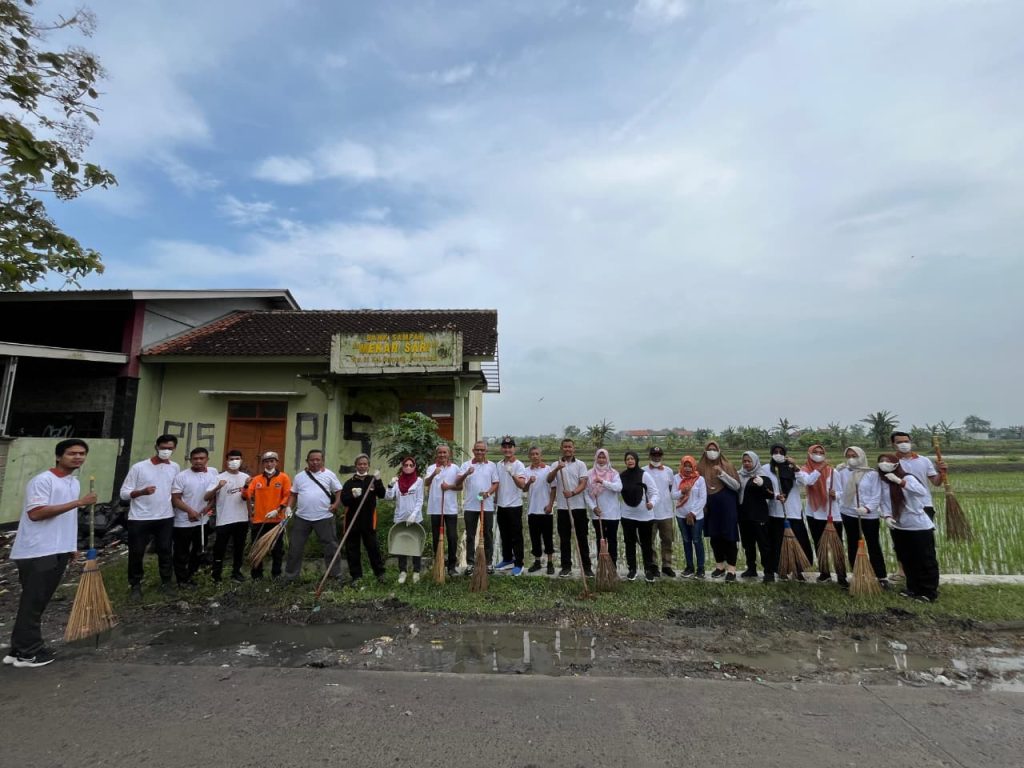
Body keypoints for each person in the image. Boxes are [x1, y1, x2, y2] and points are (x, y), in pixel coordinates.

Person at [5, 439, 97, 668]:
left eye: (82, 453)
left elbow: (67, 519)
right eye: (72, 453)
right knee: (33, 601)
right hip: (38, 550)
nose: (78, 457)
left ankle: (18, 649)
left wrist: (70, 545)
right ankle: (29, 652)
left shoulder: (73, 482)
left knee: (36, 601)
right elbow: (36, 513)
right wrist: (79, 502)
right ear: (58, 457)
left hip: (58, 549)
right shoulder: (43, 481)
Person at [120, 434, 180, 600]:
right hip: (140, 517)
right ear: (156, 447)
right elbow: (123, 494)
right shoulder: (139, 467)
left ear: (174, 449)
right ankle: (135, 585)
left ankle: (166, 583)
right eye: (163, 448)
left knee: (165, 550)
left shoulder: (175, 467)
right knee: (137, 552)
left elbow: (175, 489)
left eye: (170, 448)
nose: (166, 451)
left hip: (165, 516)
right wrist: (141, 492)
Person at [876, 452, 939, 602]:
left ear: (896, 464)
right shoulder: (883, 482)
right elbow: (884, 502)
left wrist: (900, 482)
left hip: (918, 526)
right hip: (899, 526)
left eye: (888, 461)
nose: (885, 463)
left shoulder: (907, 478)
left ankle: (928, 591)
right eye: (881, 461)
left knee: (925, 559)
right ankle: (913, 588)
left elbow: (921, 492)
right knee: (907, 559)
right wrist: (887, 516)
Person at [284, 449, 343, 583]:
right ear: (307, 461)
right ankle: (291, 577)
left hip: (324, 516)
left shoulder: (329, 475)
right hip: (302, 518)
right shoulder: (299, 477)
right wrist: (288, 507)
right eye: (312, 460)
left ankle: (335, 575)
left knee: (331, 546)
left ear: (322, 461)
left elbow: (339, 491)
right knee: (295, 547)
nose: (315, 462)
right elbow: (293, 494)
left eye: (318, 460)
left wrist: (335, 504)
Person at [834, 446, 886, 588]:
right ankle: (858, 573)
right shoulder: (843, 472)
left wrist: (867, 508)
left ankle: (881, 576)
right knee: (853, 544)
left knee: (873, 544)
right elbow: (839, 491)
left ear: (862, 456)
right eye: (849, 456)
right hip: (849, 513)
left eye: (855, 455)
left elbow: (877, 495)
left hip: (869, 515)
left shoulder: (872, 474)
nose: (851, 458)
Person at [170, 447, 218, 588]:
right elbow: (175, 499)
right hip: (183, 521)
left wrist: (207, 509)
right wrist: (190, 511)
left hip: (202, 521)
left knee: (198, 550)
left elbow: (214, 495)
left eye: (201, 458)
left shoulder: (213, 472)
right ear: (190, 460)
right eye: (195, 458)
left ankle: (192, 574)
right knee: (181, 552)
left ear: (207, 459)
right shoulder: (182, 476)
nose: (198, 461)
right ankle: (181, 580)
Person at [241, 451, 292, 580]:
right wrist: (246, 485)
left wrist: (279, 509)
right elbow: (246, 495)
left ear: (276, 462)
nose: (269, 464)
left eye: (272, 461)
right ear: (263, 463)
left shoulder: (284, 477)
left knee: (277, 549)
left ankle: (276, 574)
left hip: (277, 520)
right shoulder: (256, 479)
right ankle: (257, 575)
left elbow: (287, 496)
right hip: (259, 520)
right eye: (266, 461)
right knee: (258, 548)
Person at [766, 444, 813, 579]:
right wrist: (776, 495)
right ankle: (782, 570)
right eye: (775, 452)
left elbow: (805, 482)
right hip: (776, 513)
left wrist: (796, 467)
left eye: (781, 452)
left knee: (798, 542)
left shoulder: (792, 468)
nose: (778, 454)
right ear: (771, 453)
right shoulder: (766, 469)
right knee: (778, 544)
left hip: (793, 512)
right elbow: (765, 487)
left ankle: (798, 570)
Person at [546, 438, 591, 578]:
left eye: (570, 447)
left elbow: (583, 483)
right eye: (565, 447)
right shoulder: (555, 464)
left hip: (579, 507)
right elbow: (549, 480)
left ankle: (587, 568)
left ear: (573, 449)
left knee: (582, 538)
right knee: (564, 539)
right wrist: (557, 469)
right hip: (562, 508)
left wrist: (572, 493)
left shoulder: (581, 464)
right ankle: (566, 567)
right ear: (561, 448)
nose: (567, 449)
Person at [696, 441, 740, 582]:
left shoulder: (727, 466)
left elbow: (736, 486)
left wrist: (722, 474)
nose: (712, 452)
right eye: (709, 449)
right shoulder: (700, 468)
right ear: (705, 451)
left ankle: (731, 569)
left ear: (719, 451)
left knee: (729, 536)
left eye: (714, 449)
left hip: (727, 507)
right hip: (710, 507)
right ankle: (719, 566)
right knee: (715, 537)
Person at [800, 444, 844, 584]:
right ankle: (824, 573)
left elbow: (842, 492)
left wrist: (836, 494)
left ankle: (841, 575)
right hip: (813, 514)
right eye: (815, 452)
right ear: (809, 454)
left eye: (821, 452)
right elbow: (808, 481)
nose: (818, 455)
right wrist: (819, 469)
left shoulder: (833, 472)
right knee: (819, 545)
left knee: (837, 546)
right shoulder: (805, 470)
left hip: (832, 514)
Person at [204, 449, 250, 583]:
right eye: (231, 459)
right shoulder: (219, 477)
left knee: (239, 548)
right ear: (227, 461)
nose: (234, 461)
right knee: (220, 548)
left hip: (242, 519)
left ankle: (236, 572)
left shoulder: (245, 477)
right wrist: (218, 487)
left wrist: (250, 515)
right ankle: (216, 575)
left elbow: (248, 498)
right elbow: (206, 497)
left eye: (237, 459)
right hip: (224, 519)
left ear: (241, 460)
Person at [340, 454, 386, 585]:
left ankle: (380, 574)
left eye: (365, 464)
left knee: (373, 548)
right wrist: (353, 496)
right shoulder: (349, 482)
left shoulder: (372, 480)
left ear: (368, 466)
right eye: (360, 464)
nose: (362, 466)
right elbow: (344, 501)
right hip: (352, 521)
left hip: (368, 521)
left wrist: (378, 480)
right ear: (356, 466)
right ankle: (356, 577)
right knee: (352, 550)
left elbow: (382, 494)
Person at [457, 440, 500, 576]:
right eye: (477, 450)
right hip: (470, 506)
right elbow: (458, 481)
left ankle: (488, 563)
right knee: (470, 535)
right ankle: (470, 563)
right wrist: (466, 473)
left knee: (487, 534)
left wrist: (488, 493)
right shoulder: (466, 465)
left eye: (482, 450)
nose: (480, 452)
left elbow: (495, 483)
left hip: (486, 506)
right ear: (473, 451)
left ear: (486, 451)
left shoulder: (491, 466)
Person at [737, 451, 780, 583]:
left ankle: (768, 572)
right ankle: (751, 569)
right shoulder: (740, 475)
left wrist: (762, 485)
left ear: (755, 462)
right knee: (748, 545)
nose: (746, 464)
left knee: (764, 545)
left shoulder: (763, 477)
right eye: (744, 461)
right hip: (744, 516)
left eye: (749, 461)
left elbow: (770, 495)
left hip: (759, 516)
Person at [619, 450, 660, 582]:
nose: (630, 461)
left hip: (645, 516)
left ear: (636, 460)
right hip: (627, 515)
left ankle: (648, 570)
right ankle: (632, 569)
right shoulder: (622, 476)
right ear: (625, 462)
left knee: (646, 543)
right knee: (629, 543)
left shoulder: (644, 475)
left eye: (632, 458)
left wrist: (652, 503)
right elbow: (615, 490)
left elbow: (655, 492)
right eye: (627, 459)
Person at [386, 456, 425, 584]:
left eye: (411, 465)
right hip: (400, 518)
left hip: (415, 519)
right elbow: (388, 497)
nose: (408, 467)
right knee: (401, 546)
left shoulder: (418, 481)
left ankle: (416, 572)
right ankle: (402, 571)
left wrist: (413, 515)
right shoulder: (397, 482)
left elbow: (420, 500)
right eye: (406, 465)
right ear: (402, 467)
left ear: (414, 467)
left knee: (415, 546)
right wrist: (390, 485)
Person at [890, 432, 946, 520]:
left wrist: (941, 473)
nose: (904, 444)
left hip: (924, 504)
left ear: (910, 442)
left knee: (927, 529)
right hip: (901, 506)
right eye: (899, 442)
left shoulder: (924, 460)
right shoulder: (890, 463)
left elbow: (936, 482)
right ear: (893, 445)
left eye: (906, 441)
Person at [423, 444, 460, 577]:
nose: (442, 455)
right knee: (436, 537)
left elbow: (460, 487)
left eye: (445, 452)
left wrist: (448, 487)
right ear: (436, 454)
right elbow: (426, 483)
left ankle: (452, 566)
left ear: (449, 454)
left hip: (450, 508)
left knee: (452, 537)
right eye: (440, 453)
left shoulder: (455, 468)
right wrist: (434, 473)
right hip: (435, 508)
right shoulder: (431, 468)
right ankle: (439, 563)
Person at [584, 448, 622, 570]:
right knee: (600, 540)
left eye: (603, 457)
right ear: (596, 458)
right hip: (598, 514)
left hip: (612, 514)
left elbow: (618, 487)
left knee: (612, 540)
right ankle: (602, 566)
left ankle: (613, 567)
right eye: (599, 457)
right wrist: (593, 507)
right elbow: (586, 493)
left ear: (607, 459)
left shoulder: (613, 473)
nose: (601, 460)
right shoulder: (590, 474)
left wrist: (602, 482)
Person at [495, 436, 527, 575]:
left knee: (516, 535)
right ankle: (508, 559)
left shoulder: (519, 465)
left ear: (514, 449)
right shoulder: (498, 464)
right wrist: (495, 500)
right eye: (505, 447)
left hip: (514, 505)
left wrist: (512, 473)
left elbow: (522, 485)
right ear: (502, 449)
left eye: (510, 447)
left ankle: (519, 563)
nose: (507, 449)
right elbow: (497, 484)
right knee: (504, 534)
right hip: (501, 505)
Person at [671, 455, 707, 578]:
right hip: (681, 515)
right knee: (686, 541)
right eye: (685, 466)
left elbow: (703, 498)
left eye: (689, 466)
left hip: (696, 516)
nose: (687, 468)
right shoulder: (677, 478)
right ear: (682, 466)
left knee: (697, 540)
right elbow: (673, 495)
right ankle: (689, 567)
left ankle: (701, 569)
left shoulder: (699, 479)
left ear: (693, 467)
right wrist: (682, 491)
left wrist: (692, 513)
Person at [522, 446, 556, 574]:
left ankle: (550, 563)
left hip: (546, 510)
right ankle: (537, 562)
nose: (535, 456)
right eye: (532, 454)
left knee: (548, 538)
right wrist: (529, 482)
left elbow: (553, 488)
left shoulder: (548, 469)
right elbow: (524, 489)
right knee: (534, 538)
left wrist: (550, 505)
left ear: (541, 455)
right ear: (529, 456)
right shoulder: (526, 471)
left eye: (537, 454)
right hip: (532, 510)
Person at [646, 446, 677, 577]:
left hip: (666, 512)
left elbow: (672, 489)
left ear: (662, 456)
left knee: (667, 540)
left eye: (659, 455)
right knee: (649, 541)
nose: (656, 457)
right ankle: (653, 565)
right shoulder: (644, 471)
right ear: (650, 456)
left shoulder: (668, 471)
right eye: (654, 455)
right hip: (650, 512)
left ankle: (667, 565)